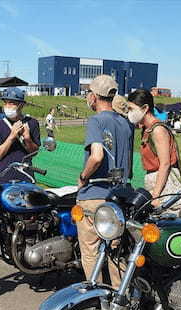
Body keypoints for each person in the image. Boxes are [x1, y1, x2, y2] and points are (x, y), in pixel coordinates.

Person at [76, 75, 134, 284]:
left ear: (93, 96)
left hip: (94, 194)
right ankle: (121, 297)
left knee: (91, 251)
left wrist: (83, 177)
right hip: (120, 196)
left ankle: (95, 295)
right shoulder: (126, 124)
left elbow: (97, 155)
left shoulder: (96, 121)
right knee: (115, 252)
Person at [127, 89, 181, 216]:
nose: (129, 113)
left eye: (131, 109)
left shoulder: (158, 130)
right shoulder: (147, 129)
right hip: (155, 181)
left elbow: (165, 164)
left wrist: (156, 195)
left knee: (164, 227)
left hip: (165, 185)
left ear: (145, 108)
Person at [0, 87, 40, 182]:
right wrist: (11, 137)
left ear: (21, 105)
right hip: (3, 178)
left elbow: (34, 152)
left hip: (25, 177)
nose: (7, 106)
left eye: (12, 103)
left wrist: (27, 138)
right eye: (5, 103)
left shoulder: (32, 123)